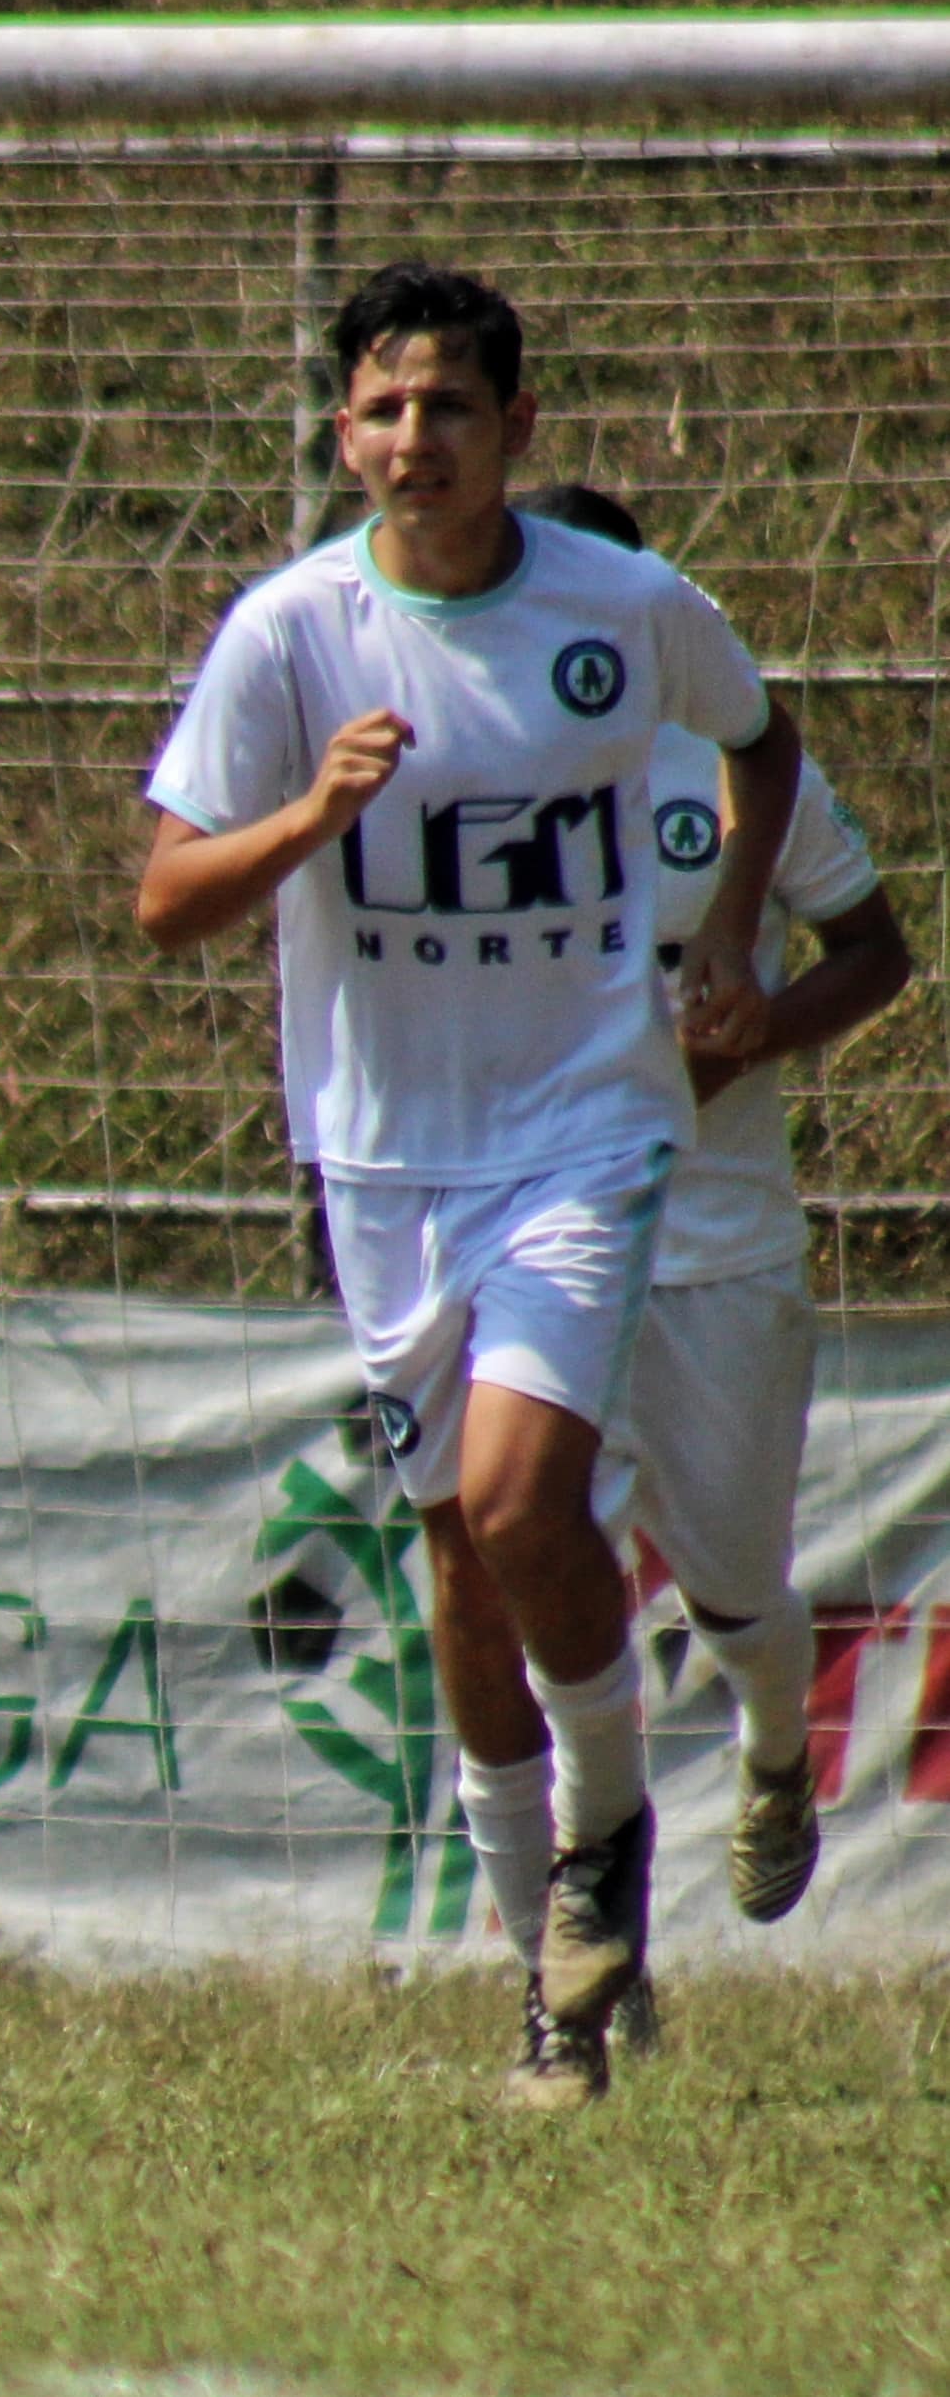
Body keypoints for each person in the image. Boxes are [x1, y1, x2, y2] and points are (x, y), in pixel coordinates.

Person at [132, 265, 802, 2110]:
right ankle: (555, 1991)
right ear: (340, 432)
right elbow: (169, 899)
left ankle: (602, 1842)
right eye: (380, 409)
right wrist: (307, 821)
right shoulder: (291, 633)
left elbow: (763, 738)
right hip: (383, 1155)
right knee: (458, 1562)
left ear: (517, 427)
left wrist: (731, 927)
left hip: (586, 1126)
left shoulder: (624, 606)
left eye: (447, 407)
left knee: (522, 1499)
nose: (412, 440)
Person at [421, 479, 906, 2107]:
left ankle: (778, 1750)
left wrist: (759, 1022)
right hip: (525, 1240)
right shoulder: (466, 781)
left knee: (731, 1594)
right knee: (497, 1565)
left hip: (711, 1242)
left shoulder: (720, 761)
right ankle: (562, 1989)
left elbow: (877, 947)